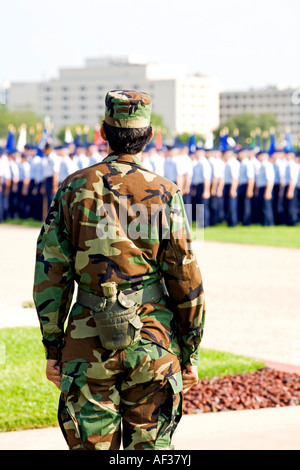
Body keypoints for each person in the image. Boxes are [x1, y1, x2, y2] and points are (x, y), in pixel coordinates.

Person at [33, 90, 206, 451]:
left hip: (87, 340)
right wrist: (189, 352)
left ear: (103, 131)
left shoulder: (73, 188)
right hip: (153, 341)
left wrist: (54, 348)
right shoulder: (165, 192)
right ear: (150, 135)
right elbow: (186, 277)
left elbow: (51, 274)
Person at [223, 149, 240, 227]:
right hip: (228, 185)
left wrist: (233, 189)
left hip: (231, 185)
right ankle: (230, 221)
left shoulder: (232, 163)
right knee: (229, 205)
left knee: (231, 205)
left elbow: (235, 177)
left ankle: (232, 222)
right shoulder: (229, 162)